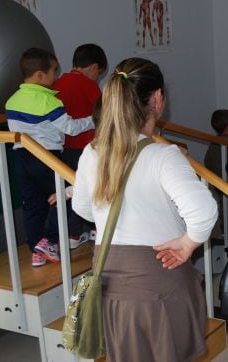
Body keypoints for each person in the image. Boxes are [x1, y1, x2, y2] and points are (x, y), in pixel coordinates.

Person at [72, 58, 217, 361]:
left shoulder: (92, 151)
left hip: (110, 281)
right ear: (157, 99)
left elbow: (82, 206)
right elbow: (203, 212)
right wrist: (189, 243)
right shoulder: (164, 156)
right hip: (159, 278)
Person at [4, 48, 94, 267]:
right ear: (40, 76)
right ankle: (50, 239)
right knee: (68, 194)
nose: (56, 76)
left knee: (33, 205)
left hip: (21, 158)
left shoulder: (12, 101)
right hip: (46, 157)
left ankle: (36, 249)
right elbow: (70, 128)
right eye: (54, 71)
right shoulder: (49, 101)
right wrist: (94, 120)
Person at [54, 43, 108, 247]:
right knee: (92, 188)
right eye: (99, 73)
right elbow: (104, 112)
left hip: (63, 148)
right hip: (87, 147)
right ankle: (94, 230)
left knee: (72, 190)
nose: (97, 78)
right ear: (94, 67)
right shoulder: (88, 85)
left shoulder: (58, 84)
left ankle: (71, 235)